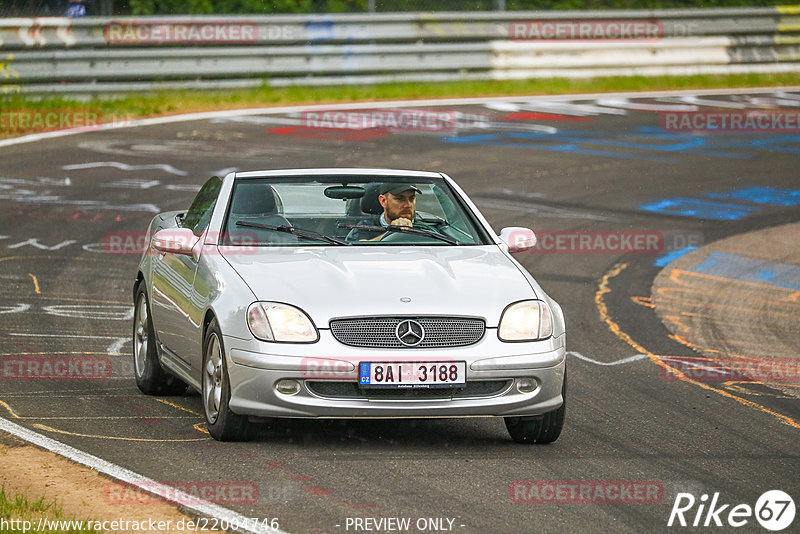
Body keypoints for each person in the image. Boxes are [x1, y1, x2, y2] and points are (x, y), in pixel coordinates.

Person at [347, 183, 425, 241]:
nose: (408, 205)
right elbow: (356, 251)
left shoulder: (428, 226)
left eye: (411, 199)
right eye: (399, 199)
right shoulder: (365, 228)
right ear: (383, 201)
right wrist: (391, 233)